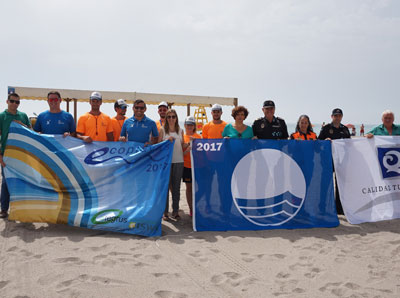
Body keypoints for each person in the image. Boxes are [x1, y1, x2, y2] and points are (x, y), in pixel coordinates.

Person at [0, 93, 31, 218]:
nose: (14, 104)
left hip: (21, 154)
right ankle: (4, 209)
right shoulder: (2, 116)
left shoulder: (23, 116)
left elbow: (31, 132)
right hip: (6, 154)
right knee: (6, 182)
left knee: (22, 181)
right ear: (7, 101)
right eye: (12, 101)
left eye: (17, 102)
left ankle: (21, 209)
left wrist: (21, 125)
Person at [318, 108, 350, 215]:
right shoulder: (326, 128)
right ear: (332, 116)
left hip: (341, 160)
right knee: (326, 184)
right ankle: (323, 206)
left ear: (341, 117)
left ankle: (339, 208)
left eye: (339, 115)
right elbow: (318, 142)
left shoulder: (345, 129)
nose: (337, 117)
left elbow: (349, 144)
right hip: (328, 159)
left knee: (340, 184)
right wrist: (325, 141)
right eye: (335, 116)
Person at [158, 109, 187, 220]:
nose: (171, 119)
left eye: (173, 116)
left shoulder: (180, 130)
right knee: (165, 187)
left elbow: (182, 145)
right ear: (166, 118)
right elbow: (158, 146)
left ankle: (175, 211)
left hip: (179, 161)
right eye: (169, 117)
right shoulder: (162, 130)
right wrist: (166, 141)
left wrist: (190, 145)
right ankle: (165, 212)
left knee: (176, 188)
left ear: (176, 118)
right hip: (166, 162)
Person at [182, 116, 202, 216]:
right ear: (185, 125)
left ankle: (198, 206)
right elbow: (181, 155)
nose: (189, 126)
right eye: (188, 124)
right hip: (187, 166)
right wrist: (188, 148)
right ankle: (191, 209)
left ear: (194, 126)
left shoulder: (199, 137)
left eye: (191, 125)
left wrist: (195, 146)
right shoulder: (182, 137)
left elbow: (203, 153)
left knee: (200, 188)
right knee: (189, 188)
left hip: (198, 166)